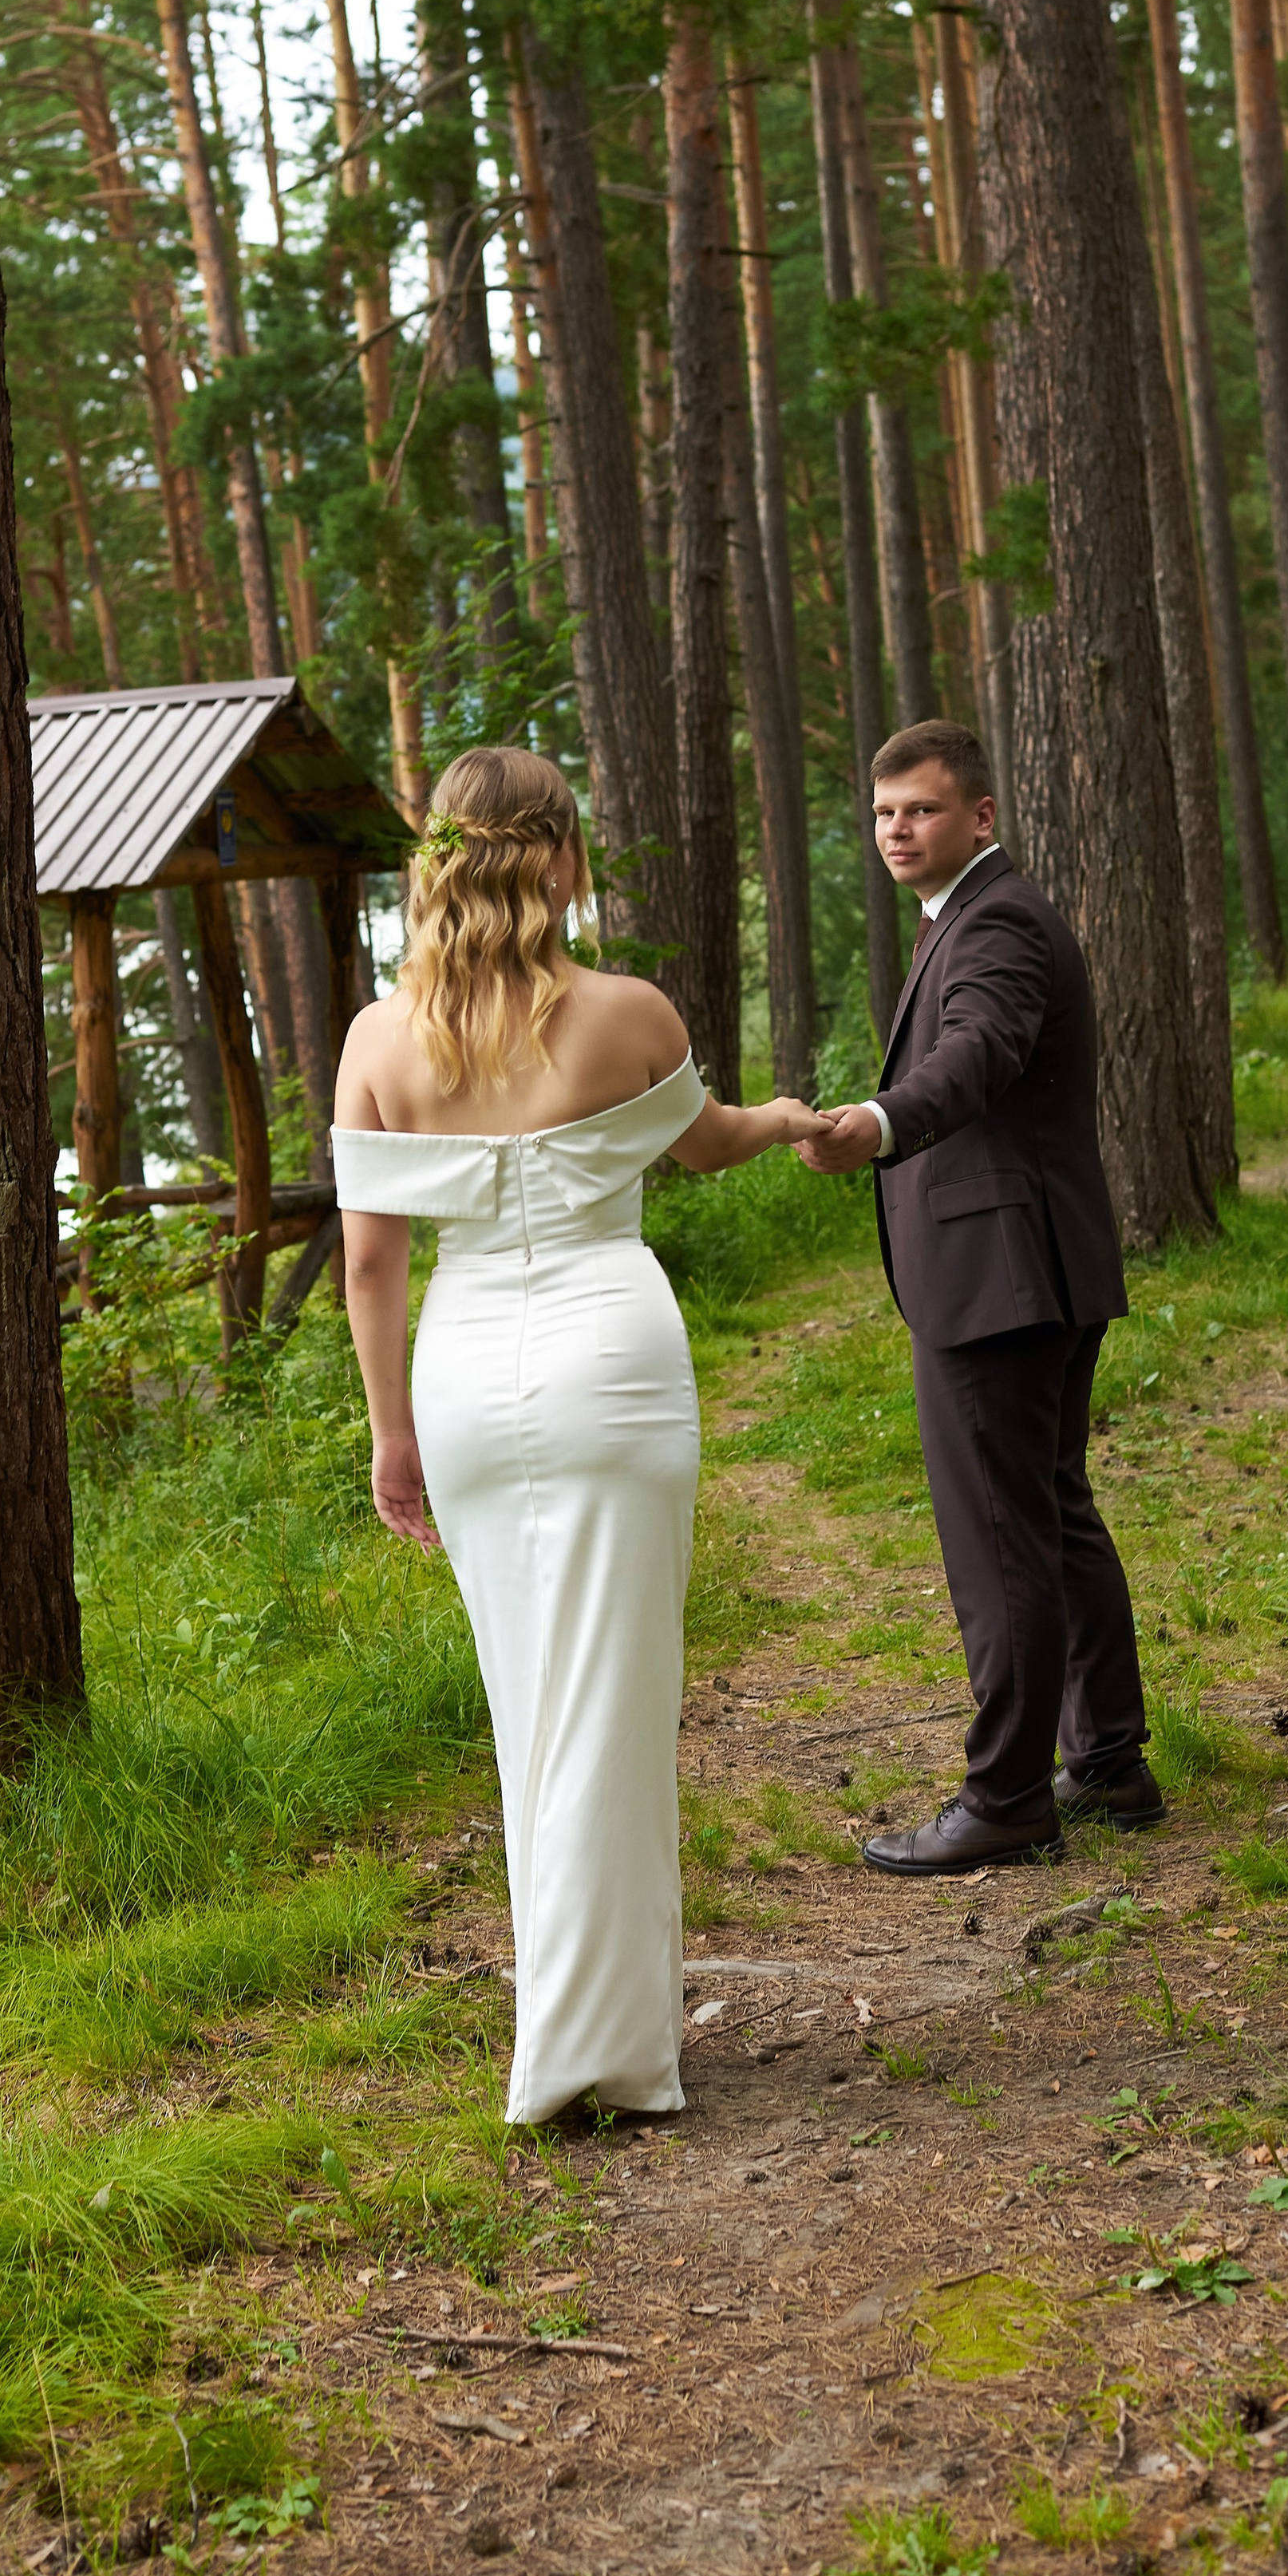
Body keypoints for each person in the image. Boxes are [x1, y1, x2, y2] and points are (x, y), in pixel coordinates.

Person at [332, 747, 824, 2127]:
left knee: (526, 1705)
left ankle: (575, 2040)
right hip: (613, 1357)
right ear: (557, 855)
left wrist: (393, 1434)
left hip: (471, 1373)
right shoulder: (627, 1013)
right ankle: (607, 2049)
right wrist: (789, 1117)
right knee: (616, 1703)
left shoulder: (380, 1041)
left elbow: (371, 1267)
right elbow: (706, 1142)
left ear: (441, 861)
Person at [795, 720, 1164, 1874]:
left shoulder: (997, 920)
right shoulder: (964, 917)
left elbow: (981, 1050)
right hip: (1034, 1266)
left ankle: (1008, 1797)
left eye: (922, 810)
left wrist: (882, 1120)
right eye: (884, 813)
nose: (898, 831)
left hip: (1003, 1281)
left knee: (1003, 1533)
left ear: (982, 816)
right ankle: (1106, 1760)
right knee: (1051, 1511)